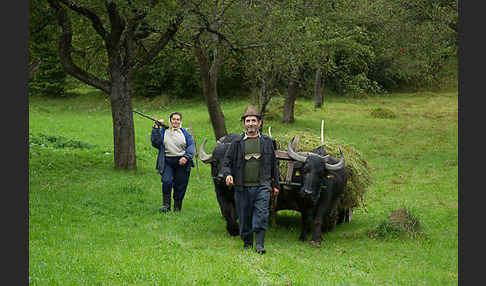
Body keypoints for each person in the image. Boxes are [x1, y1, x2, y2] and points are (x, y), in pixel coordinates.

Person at [221, 106, 280, 254]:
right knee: (244, 216)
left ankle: (259, 245)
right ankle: (247, 243)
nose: (251, 124)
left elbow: (274, 164)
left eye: (254, 120)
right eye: (248, 121)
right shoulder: (236, 142)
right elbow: (226, 162)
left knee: (261, 215)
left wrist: (276, 184)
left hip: (262, 186)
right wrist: (228, 174)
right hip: (242, 187)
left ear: (259, 123)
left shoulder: (267, 141)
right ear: (243, 124)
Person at [151, 112, 195, 212]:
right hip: (167, 161)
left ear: (180, 121)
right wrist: (156, 127)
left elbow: (191, 145)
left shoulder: (184, 133)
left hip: (182, 162)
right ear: (170, 120)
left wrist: (186, 157)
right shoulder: (164, 131)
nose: (175, 121)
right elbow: (155, 142)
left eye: (178, 119)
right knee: (166, 181)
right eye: (173, 119)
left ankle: (177, 207)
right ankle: (166, 206)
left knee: (180, 185)